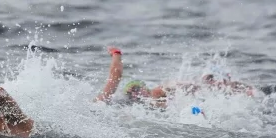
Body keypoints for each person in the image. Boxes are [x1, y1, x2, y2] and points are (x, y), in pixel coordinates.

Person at [94, 46, 254, 108]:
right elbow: (115, 76)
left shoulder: (156, 93)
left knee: (171, 88)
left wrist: (116, 54)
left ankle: (221, 85)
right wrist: (116, 54)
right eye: (132, 92)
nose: (136, 93)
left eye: (138, 89)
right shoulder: (108, 101)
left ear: (145, 89)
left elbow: (115, 76)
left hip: (181, 100)